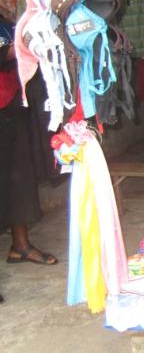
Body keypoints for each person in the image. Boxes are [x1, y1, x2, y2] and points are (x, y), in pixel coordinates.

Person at [1, 30, 58, 305]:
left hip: (10, 106)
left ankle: (20, 246)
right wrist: (24, 44)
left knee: (19, 179)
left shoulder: (5, 23)